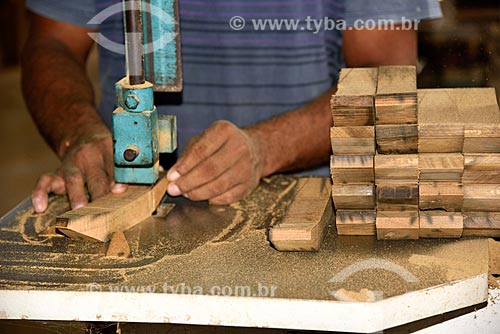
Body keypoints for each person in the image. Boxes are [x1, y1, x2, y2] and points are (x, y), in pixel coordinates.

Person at [23, 0, 441, 213]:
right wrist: (79, 131)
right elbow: (53, 41)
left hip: (310, 196)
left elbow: (387, 76)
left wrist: (266, 147)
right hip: (129, 190)